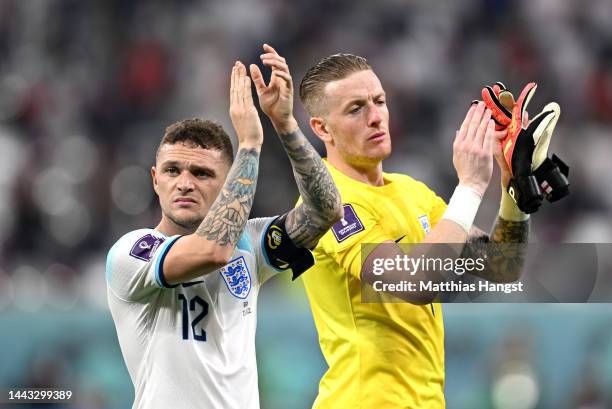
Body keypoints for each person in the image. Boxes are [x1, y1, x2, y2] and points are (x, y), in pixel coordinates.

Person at [105, 45, 342, 409]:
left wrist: (284, 123)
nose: (184, 183)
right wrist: (249, 143)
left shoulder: (249, 243)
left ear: (229, 182)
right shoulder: (133, 252)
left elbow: (326, 210)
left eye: (201, 173)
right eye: (172, 171)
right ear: (155, 180)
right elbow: (212, 251)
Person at [295, 53, 530, 408]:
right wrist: (469, 186)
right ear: (322, 128)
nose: (375, 117)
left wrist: (514, 187)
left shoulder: (411, 191)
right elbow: (413, 283)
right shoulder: (326, 203)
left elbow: (502, 267)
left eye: (379, 101)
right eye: (355, 109)